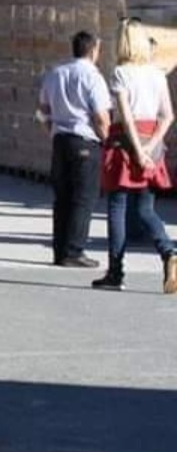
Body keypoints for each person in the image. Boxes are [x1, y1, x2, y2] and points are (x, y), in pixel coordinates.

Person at [92, 19, 177, 293]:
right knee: (145, 208)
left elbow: (126, 118)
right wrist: (152, 145)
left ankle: (116, 272)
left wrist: (138, 151)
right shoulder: (157, 74)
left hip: (125, 145)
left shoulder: (120, 73)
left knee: (117, 207)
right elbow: (168, 115)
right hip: (152, 139)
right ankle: (169, 252)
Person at [38, 31, 112, 269]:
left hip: (60, 140)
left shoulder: (56, 73)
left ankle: (60, 250)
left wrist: (52, 129)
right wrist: (107, 139)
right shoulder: (93, 77)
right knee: (84, 197)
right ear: (93, 50)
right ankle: (74, 250)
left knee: (62, 198)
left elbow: (41, 110)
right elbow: (101, 116)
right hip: (85, 141)